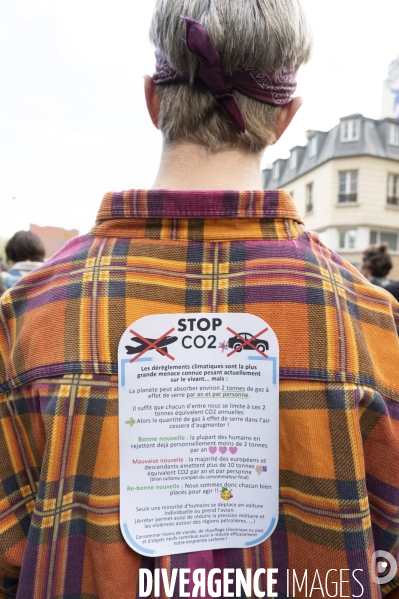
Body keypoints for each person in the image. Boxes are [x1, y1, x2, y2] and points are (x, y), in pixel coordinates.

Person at [0, 1, 399, 597]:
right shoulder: (375, 323)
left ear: (153, 101)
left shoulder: (27, 315)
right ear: (285, 118)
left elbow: (9, 553)